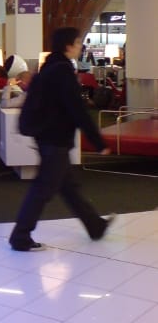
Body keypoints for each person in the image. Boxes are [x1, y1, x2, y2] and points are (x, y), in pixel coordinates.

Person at [9, 27, 114, 252]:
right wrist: (98, 142)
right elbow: (77, 110)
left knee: (68, 187)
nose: (80, 47)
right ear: (68, 45)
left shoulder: (48, 68)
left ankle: (95, 226)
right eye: (78, 43)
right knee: (43, 189)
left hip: (47, 136)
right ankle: (20, 237)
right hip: (55, 139)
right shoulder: (63, 72)